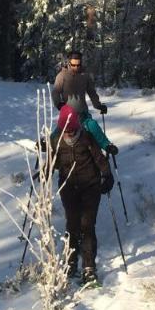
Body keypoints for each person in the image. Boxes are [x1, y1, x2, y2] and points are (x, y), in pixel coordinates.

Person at [44, 104, 114, 285]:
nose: (69, 134)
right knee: (73, 224)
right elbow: (52, 161)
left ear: (77, 126)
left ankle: (89, 267)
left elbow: (99, 158)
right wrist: (45, 171)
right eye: (65, 130)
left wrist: (107, 175)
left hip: (90, 185)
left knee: (87, 225)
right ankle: (71, 262)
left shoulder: (86, 138)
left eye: (72, 130)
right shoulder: (57, 140)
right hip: (69, 187)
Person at [51, 51, 116, 154]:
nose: (76, 67)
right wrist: (59, 104)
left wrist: (98, 105)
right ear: (68, 63)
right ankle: (48, 148)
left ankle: (107, 146)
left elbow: (91, 92)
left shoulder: (85, 75)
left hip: (82, 113)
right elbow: (55, 92)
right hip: (67, 115)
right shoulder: (62, 76)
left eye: (78, 65)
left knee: (93, 125)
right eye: (73, 65)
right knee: (57, 134)